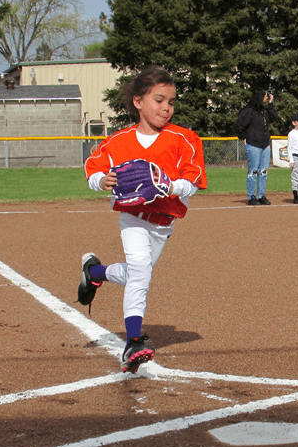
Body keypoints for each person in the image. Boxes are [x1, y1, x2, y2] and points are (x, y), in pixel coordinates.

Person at [78, 65, 208, 373]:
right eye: (159, 100)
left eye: (171, 102)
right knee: (140, 271)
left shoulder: (184, 139)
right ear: (138, 102)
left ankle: (95, 271)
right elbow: (93, 167)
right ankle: (133, 342)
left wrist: (170, 186)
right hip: (133, 216)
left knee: (139, 274)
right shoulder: (119, 141)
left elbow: (194, 181)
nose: (166, 108)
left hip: (164, 222)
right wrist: (101, 181)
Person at [234, 89, 279, 205]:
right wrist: (244, 137)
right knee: (253, 171)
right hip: (253, 144)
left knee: (263, 171)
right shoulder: (248, 111)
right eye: (265, 96)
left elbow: (275, 118)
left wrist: (271, 103)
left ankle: (261, 195)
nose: (266, 97)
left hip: (265, 145)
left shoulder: (264, 110)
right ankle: (251, 196)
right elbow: (238, 126)